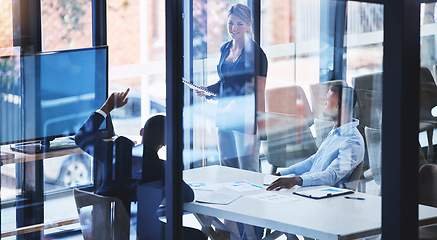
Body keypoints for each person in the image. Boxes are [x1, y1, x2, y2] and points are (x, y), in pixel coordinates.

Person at [75, 89, 206, 240]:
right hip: (143, 233)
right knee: (198, 236)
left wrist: (107, 108)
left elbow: (81, 137)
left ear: (141, 131)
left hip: (104, 232)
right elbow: (188, 196)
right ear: (165, 142)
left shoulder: (115, 152)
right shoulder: (161, 168)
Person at [195, 3, 268, 173]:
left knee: (248, 171)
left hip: (246, 121)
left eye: (239, 23)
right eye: (230, 23)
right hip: (224, 117)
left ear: (249, 24)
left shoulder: (257, 55)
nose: (233, 28)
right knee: (227, 169)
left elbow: (259, 92)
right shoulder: (225, 48)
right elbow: (225, 83)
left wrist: (261, 128)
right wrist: (207, 90)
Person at [267, 85, 365, 191]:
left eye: (327, 100)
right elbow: (314, 160)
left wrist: (296, 180)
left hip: (324, 195)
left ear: (337, 106)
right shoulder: (336, 132)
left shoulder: (352, 141)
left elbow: (331, 176)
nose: (325, 103)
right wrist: (281, 174)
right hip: (311, 189)